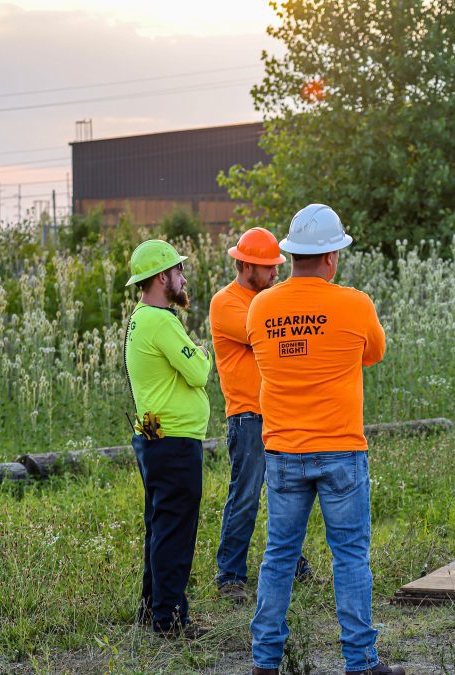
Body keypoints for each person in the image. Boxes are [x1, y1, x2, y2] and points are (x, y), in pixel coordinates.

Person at [246, 205, 403, 675]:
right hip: (340, 450)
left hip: (283, 451)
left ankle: (264, 662)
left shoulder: (261, 306)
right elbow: (373, 353)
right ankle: (360, 662)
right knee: (350, 556)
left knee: (279, 556)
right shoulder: (354, 304)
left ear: (291, 254)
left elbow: (261, 354)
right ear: (332, 256)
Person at [210, 227, 311, 604]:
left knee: (289, 493)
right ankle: (230, 574)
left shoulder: (269, 300)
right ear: (245, 265)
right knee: (247, 495)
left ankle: (293, 565)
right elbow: (267, 337)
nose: (274, 275)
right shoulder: (226, 302)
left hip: (279, 410)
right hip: (248, 415)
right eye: (268, 268)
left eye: (276, 267)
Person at [124, 239, 212, 639]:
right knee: (175, 532)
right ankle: (169, 620)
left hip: (155, 438)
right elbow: (198, 372)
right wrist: (200, 352)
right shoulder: (162, 321)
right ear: (162, 277)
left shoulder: (139, 318)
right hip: (173, 443)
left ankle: (151, 609)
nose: (183, 276)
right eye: (178, 270)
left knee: (160, 528)